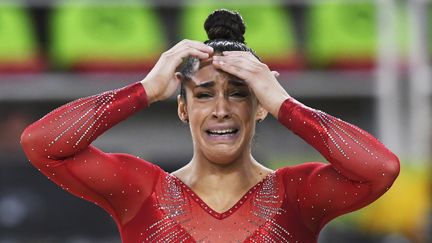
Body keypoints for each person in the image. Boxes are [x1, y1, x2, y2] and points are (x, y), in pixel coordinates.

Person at [20, 9, 400, 243]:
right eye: (203, 95)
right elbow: (40, 143)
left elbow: (381, 169)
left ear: (260, 107)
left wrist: (284, 102)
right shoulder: (142, 192)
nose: (221, 109)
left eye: (238, 93)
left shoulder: (297, 195)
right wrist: (145, 90)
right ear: (183, 108)